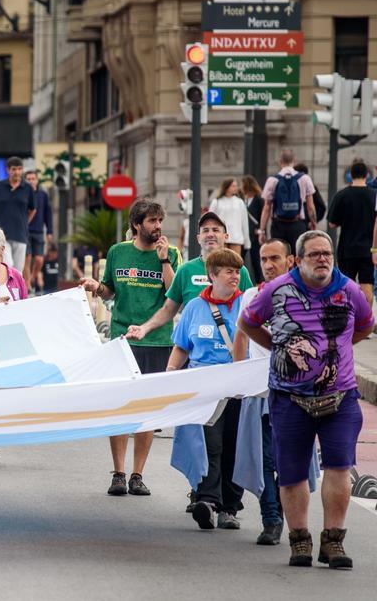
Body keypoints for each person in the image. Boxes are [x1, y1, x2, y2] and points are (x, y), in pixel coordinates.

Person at [239, 230, 373, 570]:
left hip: (339, 397)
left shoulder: (349, 290)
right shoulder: (276, 289)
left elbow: (365, 326)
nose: (323, 259)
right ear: (298, 260)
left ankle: (333, 541)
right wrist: (277, 347)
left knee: (339, 467)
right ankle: (300, 540)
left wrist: (339, 351)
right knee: (292, 472)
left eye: (327, 253)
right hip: (288, 398)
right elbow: (248, 322)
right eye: (314, 254)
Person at [80, 198, 178, 497]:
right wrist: (95, 286)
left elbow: (176, 294)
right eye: (151, 221)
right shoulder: (117, 253)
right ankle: (119, 473)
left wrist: (163, 260)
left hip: (157, 340)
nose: (158, 226)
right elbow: (109, 290)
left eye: (159, 221)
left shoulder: (171, 253)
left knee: (147, 410)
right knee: (120, 406)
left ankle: (138, 474)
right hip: (122, 338)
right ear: (137, 224)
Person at [168, 248, 248, 531]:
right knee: (208, 445)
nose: (235, 276)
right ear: (212, 275)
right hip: (204, 389)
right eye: (228, 271)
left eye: (237, 271)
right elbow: (181, 347)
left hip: (238, 389)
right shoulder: (194, 308)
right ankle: (208, 501)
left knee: (234, 448)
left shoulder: (246, 306)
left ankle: (230, 507)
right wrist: (170, 376)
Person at [231, 239, 295, 547]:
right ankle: (271, 518)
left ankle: (287, 511)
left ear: (290, 261)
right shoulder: (251, 295)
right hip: (259, 390)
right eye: (264, 259)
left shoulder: (300, 295)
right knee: (265, 457)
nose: (268, 264)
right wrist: (237, 377)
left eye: (275, 258)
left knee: (288, 458)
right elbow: (241, 337)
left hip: (295, 392)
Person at [125, 211, 255, 341]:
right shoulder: (186, 270)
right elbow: (168, 309)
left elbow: (251, 309)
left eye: (216, 230)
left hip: (230, 351)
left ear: (226, 236)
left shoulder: (239, 271)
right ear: (198, 238)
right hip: (194, 353)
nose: (210, 234)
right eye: (205, 230)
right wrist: (144, 328)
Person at [327, 159, 376, 306]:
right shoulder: (374, 195)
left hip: (347, 248)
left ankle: (349, 316)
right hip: (368, 249)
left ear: (351, 175)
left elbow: (332, 223)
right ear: (367, 175)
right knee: (367, 283)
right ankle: (366, 320)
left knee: (346, 284)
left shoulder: (342, 195)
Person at [0, 156, 35, 275]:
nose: (17, 172)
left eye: (19, 169)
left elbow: (33, 209)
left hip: (20, 234)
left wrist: (25, 222)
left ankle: (16, 293)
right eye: (14, 169)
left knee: (18, 270)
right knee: (7, 264)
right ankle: (3, 292)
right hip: (0, 234)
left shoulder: (28, 188)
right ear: (8, 170)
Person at [259, 149, 316, 250]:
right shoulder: (305, 178)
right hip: (298, 224)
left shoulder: (272, 180)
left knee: (280, 254)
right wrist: (313, 222)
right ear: (294, 161)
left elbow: (267, 207)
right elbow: (310, 206)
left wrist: (262, 231)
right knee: (297, 254)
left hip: (278, 225)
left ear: (280, 162)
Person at [25, 168, 52, 292]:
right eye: (28, 179)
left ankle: (31, 278)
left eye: (33, 179)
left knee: (39, 259)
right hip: (25, 231)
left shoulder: (43, 195)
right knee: (27, 258)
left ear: (37, 180)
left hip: (39, 231)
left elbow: (48, 214)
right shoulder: (22, 193)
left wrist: (50, 232)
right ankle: (26, 284)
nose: (31, 181)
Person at [241, 175, 264, 280]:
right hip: (244, 233)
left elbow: (262, 215)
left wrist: (260, 229)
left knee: (256, 259)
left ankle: (259, 281)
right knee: (241, 257)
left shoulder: (259, 199)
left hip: (255, 232)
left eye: (243, 184)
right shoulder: (242, 199)